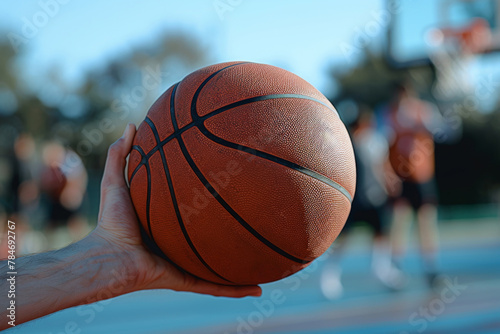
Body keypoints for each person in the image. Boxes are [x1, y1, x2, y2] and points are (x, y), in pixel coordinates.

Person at [0, 124, 261, 330]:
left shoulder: (63, 162)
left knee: (55, 226)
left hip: (66, 209)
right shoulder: (29, 165)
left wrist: (103, 258)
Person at [321, 107, 403, 299]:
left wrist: (391, 180)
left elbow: (383, 166)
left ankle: (381, 269)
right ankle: (330, 274)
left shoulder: (376, 142)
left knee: (381, 233)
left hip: (375, 197)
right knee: (343, 237)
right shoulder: (345, 143)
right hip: (352, 200)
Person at [384, 83, 441, 288]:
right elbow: (383, 142)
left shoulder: (422, 111)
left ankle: (431, 268)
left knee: (426, 223)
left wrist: (418, 120)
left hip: (423, 177)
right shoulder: (388, 114)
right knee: (399, 222)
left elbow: (441, 130)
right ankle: (395, 270)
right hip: (401, 178)